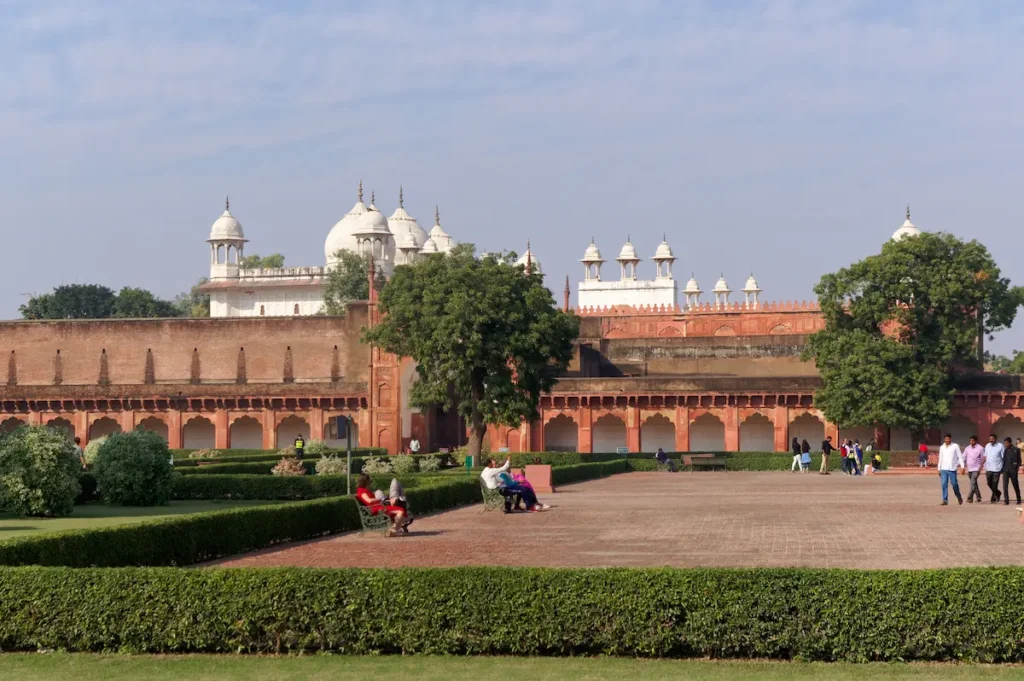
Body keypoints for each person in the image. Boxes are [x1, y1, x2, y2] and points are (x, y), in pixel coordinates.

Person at [937, 433, 965, 506]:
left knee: (954, 484)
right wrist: (939, 468)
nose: (948, 440)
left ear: (951, 439)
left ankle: (959, 497)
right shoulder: (942, 447)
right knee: (944, 484)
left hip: (952, 468)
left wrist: (962, 466)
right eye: (946, 439)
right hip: (943, 469)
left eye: (949, 439)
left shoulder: (955, 446)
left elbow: (960, 456)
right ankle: (945, 500)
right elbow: (940, 458)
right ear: (944, 439)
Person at [962, 436, 985, 503]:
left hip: (976, 468)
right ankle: (978, 497)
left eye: (973, 441)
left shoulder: (980, 448)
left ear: (976, 441)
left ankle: (969, 497)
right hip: (969, 469)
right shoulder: (967, 448)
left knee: (972, 482)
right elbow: (964, 457)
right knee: (974, 483)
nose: (971, 442)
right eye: (970, 441)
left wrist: (981, 467)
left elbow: (983, 457)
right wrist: (962, 465)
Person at [984, 434, 1005, 504]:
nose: (991, 440)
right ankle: (998, 492)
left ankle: (994, 497)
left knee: (995, 483)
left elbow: (1003, 457)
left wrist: (1003, 467)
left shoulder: (1000, 446)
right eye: (990, 439)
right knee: (989, 483)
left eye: (992, 439)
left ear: (995, 439)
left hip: (997, 467)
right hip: (988, 468)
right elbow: (985, 456)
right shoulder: (987, 446)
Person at [1001, 438, 1021, 506]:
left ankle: (1018, 499)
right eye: (1005, 443)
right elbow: (1004, 460)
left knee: (1015, 485)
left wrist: (1016, 469)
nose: (1005, 445)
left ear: (1010, 443)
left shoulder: (1016, 449)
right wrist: (1003, 469)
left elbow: (1019, 460)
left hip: (1013, 471)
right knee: (1005, 486)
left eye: (1006, 443)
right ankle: (1006, 501)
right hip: (1006, 470)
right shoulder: (1006, 450)